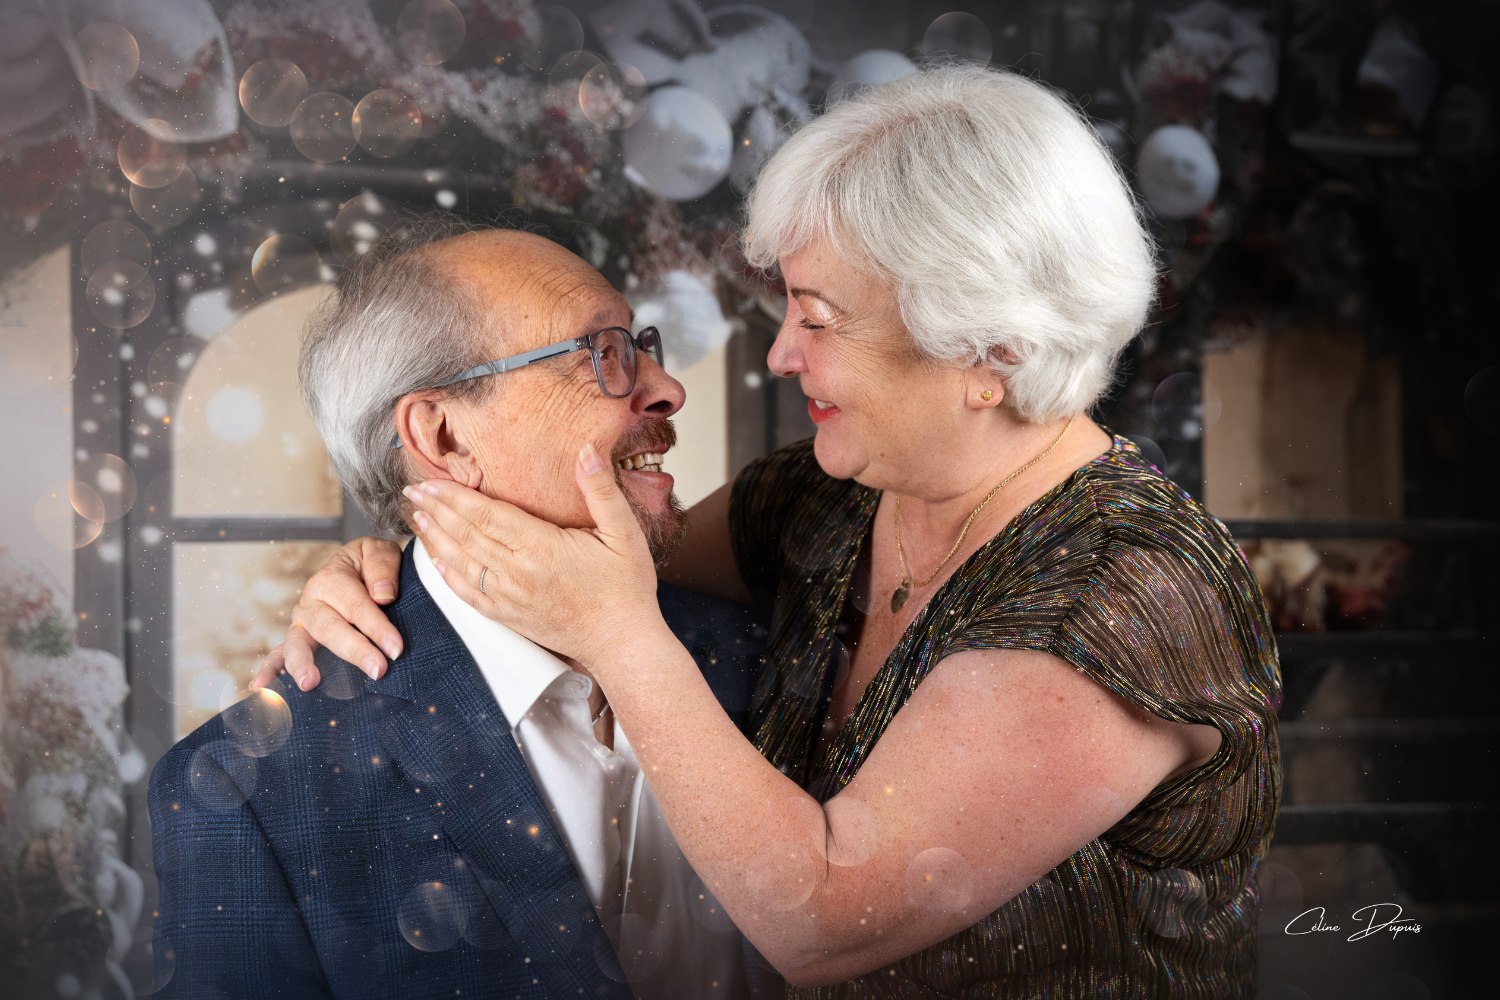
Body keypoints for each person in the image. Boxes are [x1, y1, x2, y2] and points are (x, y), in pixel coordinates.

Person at [258, 65, 1282, 996]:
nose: (782, 355)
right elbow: (573, 548)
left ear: (989, 348)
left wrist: (622, 636)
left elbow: (827, 916)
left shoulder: (1132, 589)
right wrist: (389, 565)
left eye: (819, 317)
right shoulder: (827, 498)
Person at [151, 218, 758, 999]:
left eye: (637, 344)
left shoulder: (774, 652)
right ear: (442, 435)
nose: (665, 387)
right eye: (601, 353)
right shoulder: (251, 795)